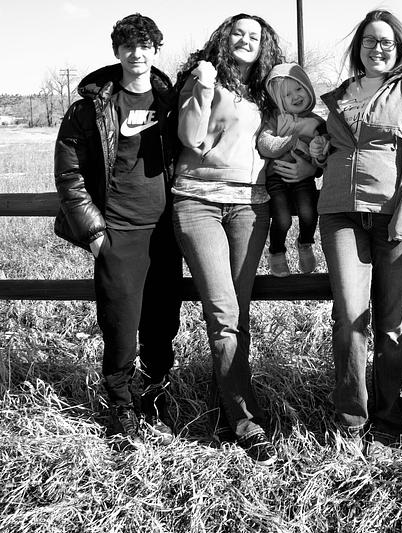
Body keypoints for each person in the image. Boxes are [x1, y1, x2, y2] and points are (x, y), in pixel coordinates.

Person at [172, 13, 312, 464]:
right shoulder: (203, 78)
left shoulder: (269, 92)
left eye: (255, 35)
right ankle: (246, 421)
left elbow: (297, 134)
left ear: (264, 44)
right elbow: (190, 136)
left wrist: (307, 163)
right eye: (239, 33)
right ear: (224, 38)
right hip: (198, 202)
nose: (246, 40)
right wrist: (204, 85)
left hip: (251, 206)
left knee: (238, 314)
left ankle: (227, 406)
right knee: (224, 313)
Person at [311, 9, 402, 453]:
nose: (378, 48)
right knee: (350, 317)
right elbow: (332, 151)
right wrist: (317, 153)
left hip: (395, 218)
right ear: (358, 46)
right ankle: (350, 420)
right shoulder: (341, 95)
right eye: (369, 41)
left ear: (400, 47)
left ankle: (388, 419)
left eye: (386, 41)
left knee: (390, 325)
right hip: (340, 215)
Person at [53, 13, 182, 449]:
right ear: (117, 51)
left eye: (144, 45)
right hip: (118, 230)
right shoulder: (90, 107)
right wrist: (94, 234)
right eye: (128, 45)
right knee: (120, 326)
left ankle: (155, 395)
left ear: (156, 50)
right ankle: (122, 407)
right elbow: (69, 174)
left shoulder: (173, 101)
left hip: (166, 231)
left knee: (162, 322)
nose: (136, 53)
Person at [257, 62, 325, 277]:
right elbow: (265, 145)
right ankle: (276, 251)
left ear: (308, 88)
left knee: (308, 211)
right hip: (276, 176)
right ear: (279, 100)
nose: (295, 96)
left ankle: (305, 243)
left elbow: (323, 156)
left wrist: (318, 153)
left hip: (303, 178)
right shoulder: (274, 118)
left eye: (298, 89)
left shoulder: (316, 122)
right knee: (283, 218)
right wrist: (292, 139)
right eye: (287, 94)